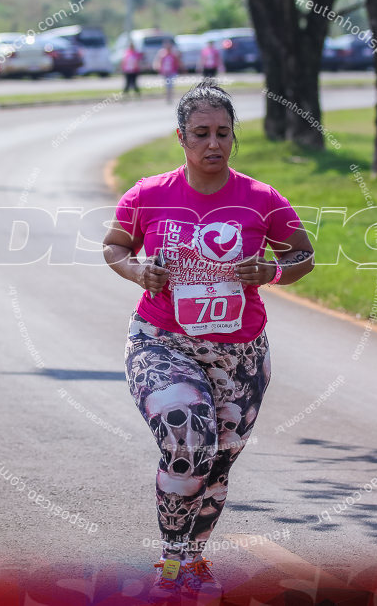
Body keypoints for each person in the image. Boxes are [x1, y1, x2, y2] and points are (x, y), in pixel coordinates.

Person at [102, 81, 315, 599]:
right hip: (162, 341)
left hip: (240, 354)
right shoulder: (148, 195)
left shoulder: (262, 200)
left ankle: (193, 558)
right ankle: (171, 556)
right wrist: (138, 271)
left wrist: (269, 270)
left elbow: (303, 256)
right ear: (181, 136)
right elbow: (114, 246)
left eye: (223, 133)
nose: (213, 144)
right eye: (201, 133)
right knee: (187, 436)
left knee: (217, 461)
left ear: (234, 137)